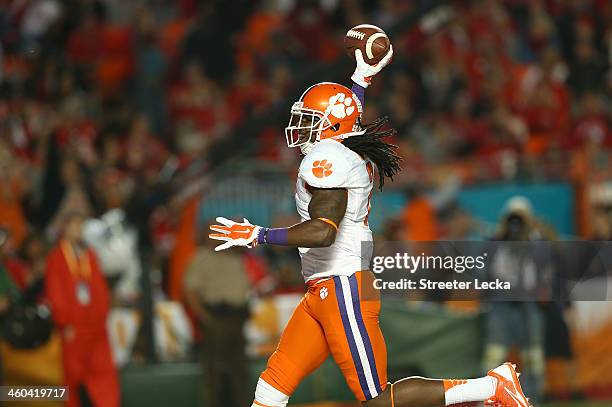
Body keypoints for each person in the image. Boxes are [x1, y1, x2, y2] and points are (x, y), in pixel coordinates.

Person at [208, 47, 532, 407]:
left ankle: (491, 386)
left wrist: (259, 234)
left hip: (342, 286)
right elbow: (351, 118)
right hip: (323, 289)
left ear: (330, 125)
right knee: (271, 387)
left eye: (310, 118)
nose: (301, 127)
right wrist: (361, 77)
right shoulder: (348, 147)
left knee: (376, 400)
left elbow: (322, 230)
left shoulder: (325, 159)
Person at [44, 212, 119, 407]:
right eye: (74, 225)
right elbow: (55, 293)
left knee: (105, 378)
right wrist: (65, 322)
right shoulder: (57, 258)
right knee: (71, 378)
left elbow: (100, 290)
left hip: (95, 329)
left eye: (81, 225)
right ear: (65, 228)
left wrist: (102, 317)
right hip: (74, 329)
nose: (79, 230)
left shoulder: (90, 255)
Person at [184, 229, 251, 407]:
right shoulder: (200, 258)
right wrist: (205, 317)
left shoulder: (235, 257)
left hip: (238, 318)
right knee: (214, 371)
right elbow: (190, 291)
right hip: (216, 317)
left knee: (239, 370)